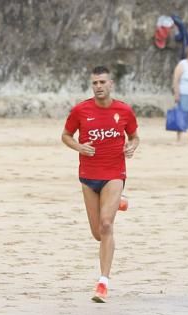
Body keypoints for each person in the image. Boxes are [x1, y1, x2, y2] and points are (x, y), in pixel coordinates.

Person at [61, 66, 139, 303]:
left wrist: (132, 146)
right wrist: (79, 147)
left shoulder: (123, 110)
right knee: (97, 233)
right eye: (94, 83)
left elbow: (134, 136)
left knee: (106, 225)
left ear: (111, 83)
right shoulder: (80, 110)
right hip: (88, 175)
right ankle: (118, 203)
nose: (98, 87)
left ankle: (103, 283)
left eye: (102, 82)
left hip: (114, 172)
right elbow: (65, 135)